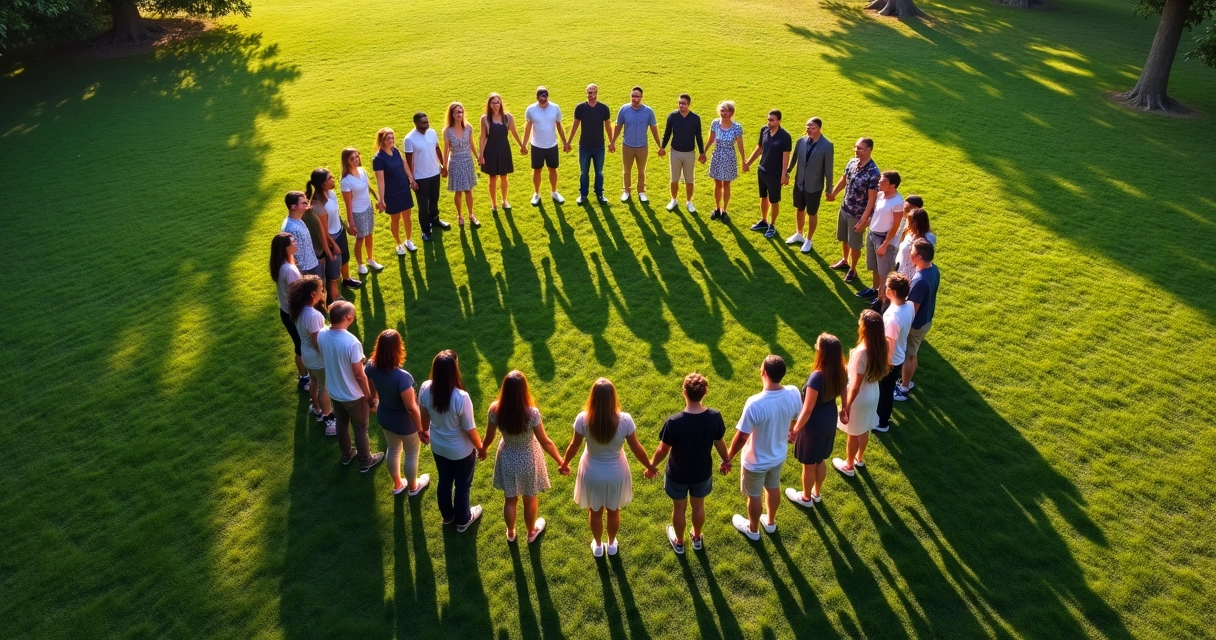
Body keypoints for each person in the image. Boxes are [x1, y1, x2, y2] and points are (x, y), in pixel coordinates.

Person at [560, 378, 655, 557]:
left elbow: (574, 446)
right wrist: (649, 466)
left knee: (594, 512)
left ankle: (597, 546)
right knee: (613, 511)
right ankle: (611, 545)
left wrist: (565, 463)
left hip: (592, 472)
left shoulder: (583, 419)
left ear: (593, 397)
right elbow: (636, 448)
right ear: (613, 397)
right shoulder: (625, 420)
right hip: (616, 473)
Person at [647, 373, 728, 554]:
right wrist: (726, 460)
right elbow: (719, 443)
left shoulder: (674, 422)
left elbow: (662, 450)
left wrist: (652, 466)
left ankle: (679, 542)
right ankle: (697, 537)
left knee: (679, 508)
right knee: (699, 506)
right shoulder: (714, 417)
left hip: (677, 474)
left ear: (684, 392)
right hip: (702, 472)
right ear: (705, 392)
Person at [725, 355, 802, 541]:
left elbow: (742, 436)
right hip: (778, 455)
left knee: (754, 496)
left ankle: (752, 530)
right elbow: (797, 416)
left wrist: (728, 458)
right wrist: (793, 431)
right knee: (773, 486)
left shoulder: (755, 403)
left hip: (755, 461)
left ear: (763, 373)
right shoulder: (793, 392)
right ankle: (770, 522)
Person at [484, 370, 564, 543]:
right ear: (524, 390)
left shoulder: (495, 410)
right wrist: (560, 460)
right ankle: (531, 532)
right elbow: (545, 441)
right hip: (529, 459)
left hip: (507, 457)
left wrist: (483, 449)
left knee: (510, 500)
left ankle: (511, 533)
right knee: (530, 498)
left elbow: (489, 437)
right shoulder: (532, 414)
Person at [419, 350, 486, 532]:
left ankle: (448, 516)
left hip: (439, 447)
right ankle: (463, 520)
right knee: (462, 485)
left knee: (445, 480)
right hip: (461, 451)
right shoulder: (461, 397)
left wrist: (424, 431)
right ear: (454, 370)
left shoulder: (425, 388)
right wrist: (481, 448)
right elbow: (470, 430)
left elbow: (423, 416)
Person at [317, 300, 385, 472]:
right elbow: (359, 375)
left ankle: (347, 455)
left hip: (334, 390)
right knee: (361, 428)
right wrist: (370, 397)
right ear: (348, 317)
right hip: (353, 394)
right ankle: (365, 461)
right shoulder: (351, 342)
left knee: (341, 424)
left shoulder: (322, 334)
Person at [785, 333, 847, 506]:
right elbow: (844, 391)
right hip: (829, 419)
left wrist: (795, 430)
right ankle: (816, 493)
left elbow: (807, 409)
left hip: (813, 424)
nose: (815, 347)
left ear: (823, 352)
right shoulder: (841, 370)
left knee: (809, 464)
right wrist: (845, 409)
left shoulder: (817, 377)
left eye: (817, 345)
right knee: (820, 460)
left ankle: (805, 498)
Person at [366, 330, 430, 496]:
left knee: (393, 449)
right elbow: (411, 408)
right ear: (398, 348)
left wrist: (373, 398)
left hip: (385, 417)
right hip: (405, 424)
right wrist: (421, 429)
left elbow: (370, 382)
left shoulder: (371, 365)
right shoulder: (403, 378)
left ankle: (397, 485)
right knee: (411, 453)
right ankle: (413, 488)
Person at [833, 310, 889, 477]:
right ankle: (859, 459)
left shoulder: (862, 352)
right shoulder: (882, 345)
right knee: (864, 429)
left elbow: (855, 386)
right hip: (873, 392)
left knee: (853, 432)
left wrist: (846, 407)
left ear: (866, 328)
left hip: (860, 396)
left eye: (860, 322)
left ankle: (849, 466)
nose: (858, 324)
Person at [288, 275, 337, 436]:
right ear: (312, 294)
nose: (322, 292)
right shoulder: (314, 316)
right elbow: (317, 342)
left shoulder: (299, 310)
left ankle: (316, 408)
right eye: (320, 290)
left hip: (306, 356)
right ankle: (328, 419)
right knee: (325, 387)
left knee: (313, 381)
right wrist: (330, 355)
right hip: (317, 358)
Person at [827, 138, 879, 284]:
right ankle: (845, 260)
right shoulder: (852, 162)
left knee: (854, 244)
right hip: (845, 208)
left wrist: (864, 219)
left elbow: (871, 199)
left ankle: (853, 269)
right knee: (843, 238)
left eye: (860, 148)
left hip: (857, 215)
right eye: (855, 147)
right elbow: (844, 179)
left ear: (869, 150)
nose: (856, 150)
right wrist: (833, 194)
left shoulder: (873, 172)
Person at [308, 168, 360, 304]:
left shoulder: (331, 193)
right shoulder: (318, 204)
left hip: (340, 231)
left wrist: (346, 226)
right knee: (333, 271)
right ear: (322, 184)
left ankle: (346, 280)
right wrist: (333, 244)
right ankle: (334, 298)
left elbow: (336, 214)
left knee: (344, 259)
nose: (333, 179)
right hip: (331, 238)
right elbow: (323, 231)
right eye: (330, 178)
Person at [897, 239, 940, 401]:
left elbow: (912, 310)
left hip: (916, 324)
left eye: (913, 254)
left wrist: (902, 326)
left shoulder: (919, 281)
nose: (910, 255)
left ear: (920, 257)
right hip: (926, 319)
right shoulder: (934, 269)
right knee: (913, 353)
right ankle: (907, 381)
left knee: (909, 355)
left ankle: (904, 388)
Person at [784, 117, 834, 254]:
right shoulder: (801, 141)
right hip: (799, 183)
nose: (809, 130)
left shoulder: (827, 145)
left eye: (812, 128)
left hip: (814, 186)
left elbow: (828, 169)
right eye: (808, 127)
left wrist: (829, 189)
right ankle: (799, 234)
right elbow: (794, 159)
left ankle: (809, 239)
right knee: (800, 209)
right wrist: (786, 173)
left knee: (812, 212)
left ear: (819, 128)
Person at [743, 109, 793, 239]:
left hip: (775, 174)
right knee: (763, 197)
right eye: (768, 119)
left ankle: (772, 225)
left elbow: (785, 158)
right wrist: (748, 163)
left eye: (772, 120)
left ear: (779, 121)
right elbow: (759, 148)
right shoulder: (764, 130)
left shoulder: (785, 137)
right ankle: (764, 220)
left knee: (774, 200)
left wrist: (784, 175)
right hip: (762, 170)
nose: (769, 122)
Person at [270, 231, 310, 393]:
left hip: (285, 312)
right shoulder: (289, 270)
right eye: (293, 242)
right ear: (286, 248)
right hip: (295, 314)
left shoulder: (279, 265)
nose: (296, 243)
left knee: (299, 344)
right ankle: (304, 377)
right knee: (301, 346)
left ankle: (304, 375)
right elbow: (298, 295)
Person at [856, 171, 904, 301]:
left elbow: (895, 226)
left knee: (884, 272)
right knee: (875, 267)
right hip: (872, 234)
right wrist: (866, 224)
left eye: (883, 181)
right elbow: (876, 214)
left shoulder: (897, 202)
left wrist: (885, 244)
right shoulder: (881, 195)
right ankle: (875, 290)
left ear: (892, 185)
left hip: (883, 238)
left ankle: (883, 299)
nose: (879, 183)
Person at [874, 273, 913, 433]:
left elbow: (889, 343)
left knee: (884, 392)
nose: (885, 289)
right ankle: (882, 418)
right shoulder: (909, 305)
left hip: (890, 360)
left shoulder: (892, 317)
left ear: (894, 292)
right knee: (887, 390)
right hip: (900, 355)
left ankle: (882, 422)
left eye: (888, 287)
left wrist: (885, 364)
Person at [405, 113, 450, 242]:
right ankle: (425, 230)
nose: (426, 124)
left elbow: (437, 149)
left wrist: (443, 166)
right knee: (423, 205)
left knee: (435, 199)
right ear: (416, 123)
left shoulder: (432, 132)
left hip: (435, 172)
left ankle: (435, 220)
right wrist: (411, 179)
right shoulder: (409, 139)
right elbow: (409, 161)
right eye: (423, 122)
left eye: (427, 121)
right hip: (420, 177)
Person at [372, 127, 418, 254]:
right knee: (395, 219)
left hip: (403, 189)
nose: (391, 140)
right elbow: (380, 181)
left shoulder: (396, 150)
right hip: (391, 194)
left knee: (408, 216)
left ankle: (408, 240)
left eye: (392, 137)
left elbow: (404, 165)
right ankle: (398, 243)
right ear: (381, 140)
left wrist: (411, 179)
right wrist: (382, 199)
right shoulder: (378, 159)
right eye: (388, 138)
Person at [612, 86, 661, 203]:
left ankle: (641, 191)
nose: (635, 98)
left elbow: (654, 129)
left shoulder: (648, 111)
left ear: (641, 97)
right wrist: (612, 141)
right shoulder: (624, 109)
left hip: (642, 146)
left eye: (637, 96)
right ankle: (626, 191)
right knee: (626, 170)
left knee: (641, 170)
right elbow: (618, 127)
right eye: (633, 96)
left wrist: (660, 145)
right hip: (627, 146)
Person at [478, 93, 525, 214]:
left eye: (497, 102)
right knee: (492, 178)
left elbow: (514, 132)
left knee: (504, 177)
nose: (495, 105)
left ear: (500, 103)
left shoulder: (508, 117)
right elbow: (482, 138)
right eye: (493, 103)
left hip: (504, 149)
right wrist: (481, 155)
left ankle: (504, 201)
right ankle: (494, 204)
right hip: (491, 151)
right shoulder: (485, 118)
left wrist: (522, 146)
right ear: (489, 105)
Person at [521, 86, 568, 206]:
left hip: (552, 145)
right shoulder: (531, 109)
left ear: (547, 96)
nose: (543, 100)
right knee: (537, 170)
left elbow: (559, 126)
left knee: (553, 169)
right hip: (537, 146)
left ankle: (554, 192)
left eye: (545, 97)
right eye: (540, 97)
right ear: (536, 97)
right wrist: (524, 145)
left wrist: (565, 142)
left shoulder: (555, 108)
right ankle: (536, 194)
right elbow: (528, 128)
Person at [340, 148, 384, 275]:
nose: (356, 160)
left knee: (369, 234)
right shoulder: (346, 181)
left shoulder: (362, 171)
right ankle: (360, 265)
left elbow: (369, 187)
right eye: (352, 158)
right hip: (357, 212)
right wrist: (351, 223)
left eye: (356, 156)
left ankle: (370, 259)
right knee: (360, 238)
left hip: (368, 208)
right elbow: (347, 204)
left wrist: (379, 200)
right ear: (346, 162)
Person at [568, 83, 613, 205]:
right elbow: (575, 125)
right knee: (584, 172)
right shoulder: (580, 108)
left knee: (599, 172)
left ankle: (600, 194)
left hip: (599, 146)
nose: (590, 94)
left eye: (593, 91)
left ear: (596, 93)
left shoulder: (603, 108)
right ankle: (583, 194)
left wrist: (612, 141)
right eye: (589, 91)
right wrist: (568, 141)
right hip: (584, 147)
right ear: (586, 93)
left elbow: (608, 126)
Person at [660, 94, 706, 213]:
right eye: (680, 103)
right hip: (675, 152)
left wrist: (702, 152)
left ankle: (689, 202)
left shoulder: (695, 118)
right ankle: (673, 200)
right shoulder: (673, 116)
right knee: (674, 179)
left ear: (689, 104)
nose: (681, 105)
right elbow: (667, 132)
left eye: (684, 103)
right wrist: (662, 147)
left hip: (689, 153)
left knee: (689, 180)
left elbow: (698, 136)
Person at [705, 100, 746, 224]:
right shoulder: (715, 123)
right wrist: (703, 152)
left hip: (729, 158)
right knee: (717, 184)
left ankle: (725, 210)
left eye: (727, 111)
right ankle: (717, 208)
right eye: (722, 111)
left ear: (732, 113)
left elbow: (740, 145)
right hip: (717, 156)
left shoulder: (737, 127)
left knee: (726, 184)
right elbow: (711, 139)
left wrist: (744, 160)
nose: (724, 113)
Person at [444, 102, 480, 227]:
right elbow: (446, 149)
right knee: (458, 192)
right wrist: (445, 166)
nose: (460, 114)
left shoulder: (468, 127)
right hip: (455, 161)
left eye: (461, 112)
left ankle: (471, 214)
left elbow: (471, 143)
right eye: (457, 112)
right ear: (452, 114)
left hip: (467, 161)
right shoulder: (447, 131)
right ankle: (460, 215)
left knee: (468, 190)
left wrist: (478, 157)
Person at [895, 205, 935, 281]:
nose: (908, 224)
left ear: (916, 223)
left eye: (910, 222)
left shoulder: (928, 238)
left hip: (912, 275)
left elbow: (922, 254)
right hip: (901, 269)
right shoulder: (909, 234)